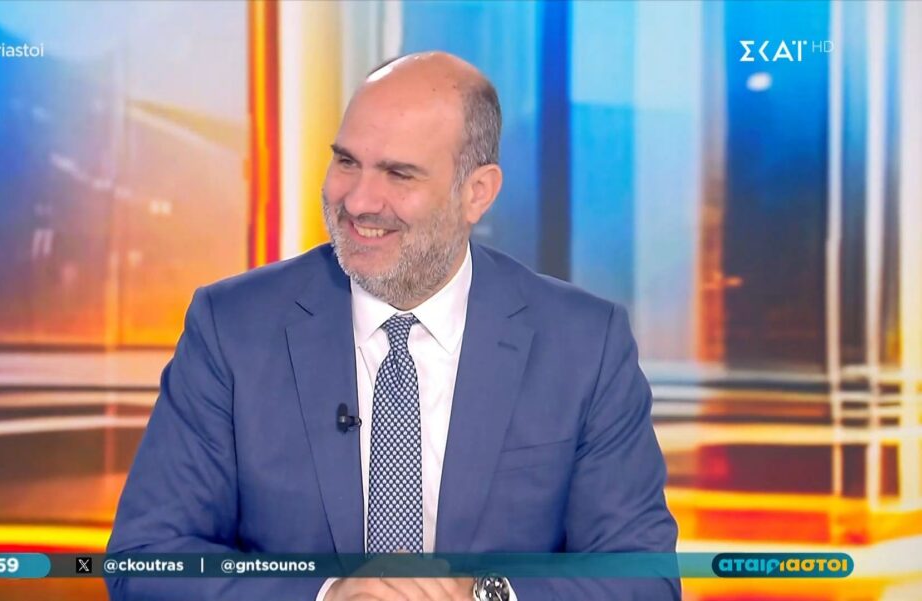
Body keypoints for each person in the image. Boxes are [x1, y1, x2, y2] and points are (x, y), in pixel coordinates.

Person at [106, 51, 679, 601]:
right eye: (346, 162)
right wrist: (327, 596)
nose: (358, 201)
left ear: (476, 193)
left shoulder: (584, 344)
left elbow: (641, 577)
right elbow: (147, 557)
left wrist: (483, 597)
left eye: (398, 174)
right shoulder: (232, 328)